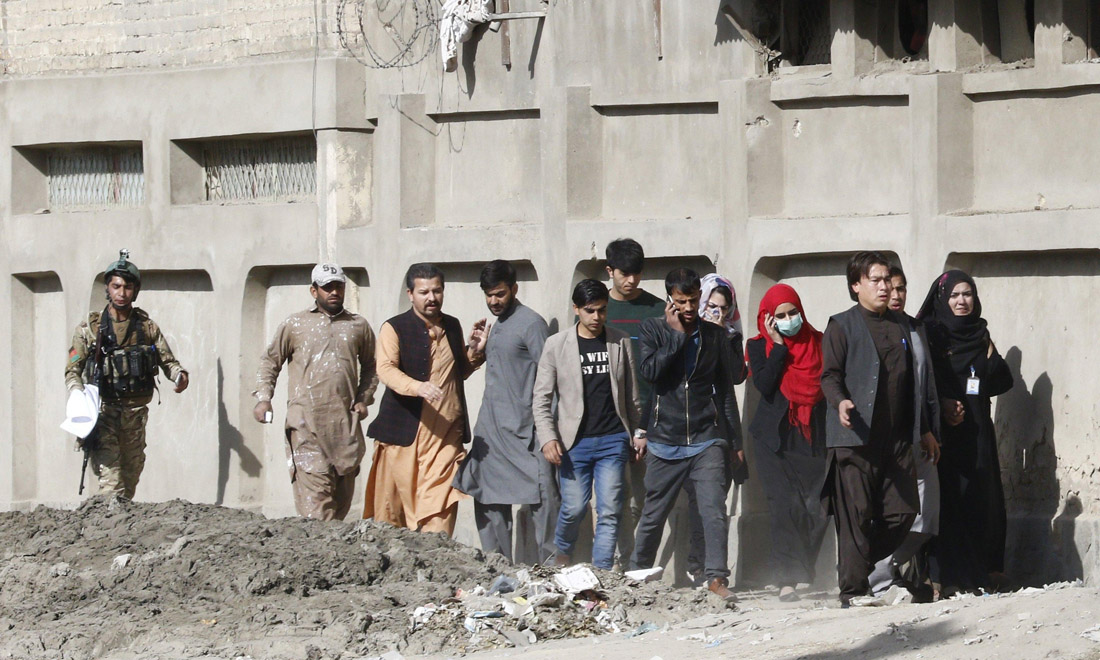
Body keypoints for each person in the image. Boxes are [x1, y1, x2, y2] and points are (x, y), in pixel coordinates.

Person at [820, 251, 932, 608]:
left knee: (904, 511)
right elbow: (829, 375)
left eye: (887, 280)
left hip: (896, 438)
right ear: (856, 285)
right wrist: (840, 402)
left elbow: (916, 383)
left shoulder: (903, 326)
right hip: (854, 438)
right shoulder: (842, 325)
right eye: (876, 280)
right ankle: (853, 592)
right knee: (856, 515)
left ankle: (859, 561)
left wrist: (924, 429)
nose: (885, 287)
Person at [629, 268, 743, 602]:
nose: (689, 307)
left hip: (707, 438)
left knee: (713, 509)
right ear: (670, 300)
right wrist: (676, 336)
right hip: (665, 440)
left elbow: (726, 388)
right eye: (682, 301)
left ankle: (716, 577)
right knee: (653, 515)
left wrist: (734, 442)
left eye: (694, 300)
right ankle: (636, 575)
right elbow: (651, 374)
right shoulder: (652, 329)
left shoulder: (714, 335)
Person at [363, 263, 488, 536]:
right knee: (393, 517)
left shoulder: (452, 325)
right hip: (404, 436)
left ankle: (436, 555)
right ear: (410, 294)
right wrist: (416, 387)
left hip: (445, 437)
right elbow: (385, 369)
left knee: (440, 512)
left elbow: (458, 371)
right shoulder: (394, 327)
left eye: (437, 291)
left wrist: (475, 351)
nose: (432, 298)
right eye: (424, 292)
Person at [253, 262, 378, 521]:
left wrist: (363, 398)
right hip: (305, 427)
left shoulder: (357, 326)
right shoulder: (295, 324)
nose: (334, 292)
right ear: (314, 291)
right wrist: (264, 399)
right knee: (318, 510)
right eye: (327, 287)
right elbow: (270, 362)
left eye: (338, 287)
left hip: (344, 429)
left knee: (340, 506)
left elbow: (372, 366)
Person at [453, 260, 557, 562]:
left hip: (527, 432)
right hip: (492, 432)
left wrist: (548, 433)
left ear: (514, 289)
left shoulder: (532, 324)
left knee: (545, 500)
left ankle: (550, 571)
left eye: (499, 294)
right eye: (489, 295)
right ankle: (497, 570)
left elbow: (551, 379)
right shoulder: (495, 326)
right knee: (488, 499)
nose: (493, 301)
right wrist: (476, 349)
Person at [533, 279, 641, 570]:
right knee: (574, 507)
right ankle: (562, 552)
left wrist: (638, 433)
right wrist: (548, 437)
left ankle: (601, 570)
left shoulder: (620, 341)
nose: (597, 317)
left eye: (602, 310)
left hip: (613, 439)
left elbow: (631, 395)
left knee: (610, 509)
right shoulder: (556, 345)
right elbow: (541, 398)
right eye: (590, 311)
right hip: (573, 443)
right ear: (576, 309)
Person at [65, 249, 189, 501]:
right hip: (104, 414)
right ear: (107, 289)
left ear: (135, 290)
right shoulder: (90, 329)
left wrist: (179, 376)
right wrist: (76, 393)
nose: (122, 293)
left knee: (130, 480)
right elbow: (72, 370)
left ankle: (116, 523)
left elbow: (168, 361)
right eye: (116, 286)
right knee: (112, 485)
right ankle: (107, 520)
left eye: (128, 287)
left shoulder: (146, 327)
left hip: (135, 416)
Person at [917, 269, 1013, 596]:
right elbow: (921, 380)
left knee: (980, 498)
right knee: (946, 501)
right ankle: (945, 576)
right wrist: (942, 404)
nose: (962, 301)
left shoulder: (979, 334)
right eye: (955, 295)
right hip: (941, 433)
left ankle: (982, 572)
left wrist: (990, 355)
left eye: (967, 294)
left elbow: (1001, 380)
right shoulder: (930, 335)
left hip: (976, 428)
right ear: (942, 298)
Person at [746, 283, 828, 602]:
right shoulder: (758, 346)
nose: (789, 319)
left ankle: (803, 569)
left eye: (793, 312)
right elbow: (765, 385)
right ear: (768, 319)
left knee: (813, 507)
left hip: (811, 436)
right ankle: (786, 579)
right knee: (782, 506)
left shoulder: (819, 342)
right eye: (780, 316)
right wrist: (778, 346)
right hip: (773, 438)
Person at [867, 265, 942, 601]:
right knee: (891, 509)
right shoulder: (873, 329)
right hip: (886, 437)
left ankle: (884, 568)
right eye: (890, 288)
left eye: (901, 288)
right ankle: (878, 578)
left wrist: (928, 428)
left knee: (927, 513)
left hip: (918, 435)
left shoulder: (915, 328)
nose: (896, 295)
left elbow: (925, 385)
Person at [602, 238, 666, 564]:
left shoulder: (657, 309)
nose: (631, 281)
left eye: (636, 274)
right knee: (615, 497)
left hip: (652, 417)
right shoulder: (598, 310)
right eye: (624, 274)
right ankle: (618, 561)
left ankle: (632, 563)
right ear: (609, 271)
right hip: (610, 419)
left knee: (645, 496)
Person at [684, 273, 748, 584]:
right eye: (712, 306)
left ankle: (710, 570)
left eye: (723, 308)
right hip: (687, 428)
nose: (717, 313)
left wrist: (721, 334)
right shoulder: (687, 333)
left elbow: (736, 377)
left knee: (713, 501)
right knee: (696, 502)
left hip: (719, 428)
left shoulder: (730, 336)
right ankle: (696, 564)